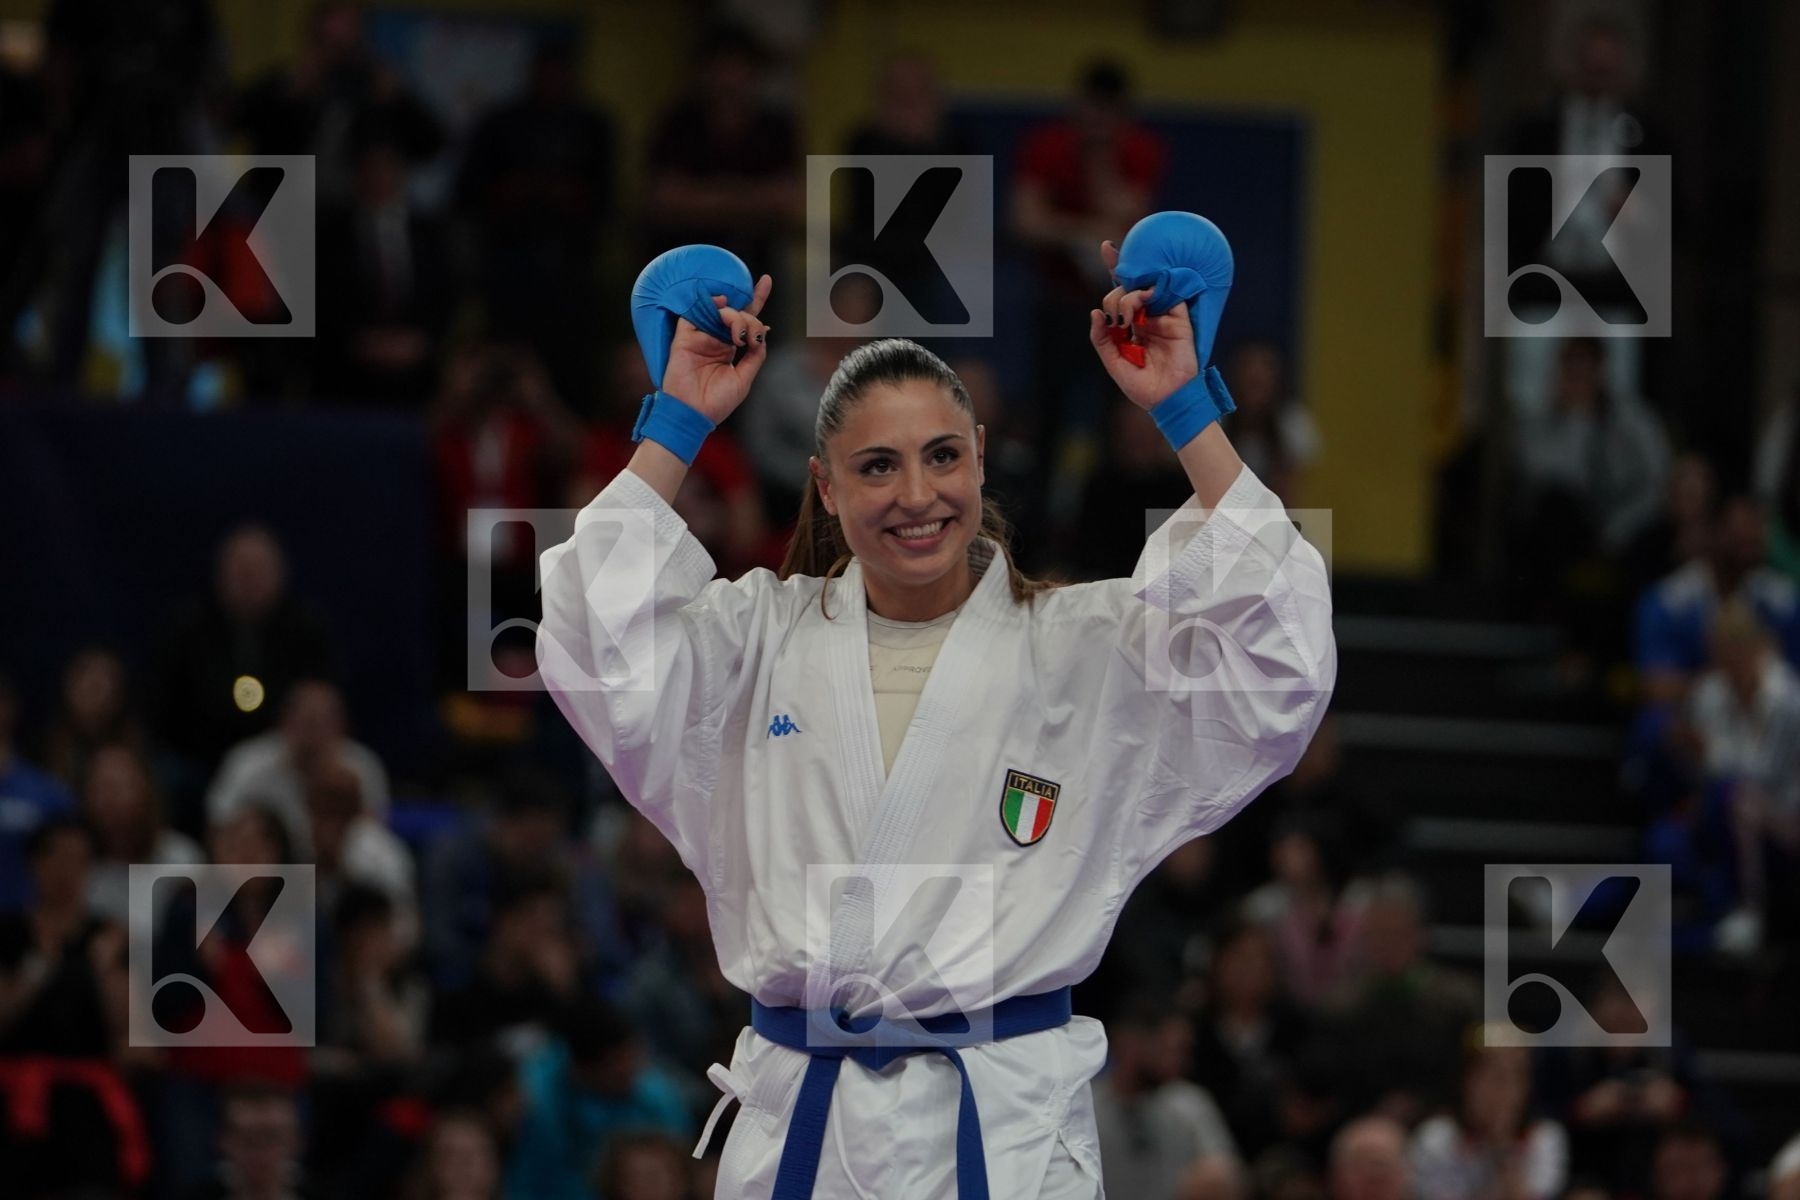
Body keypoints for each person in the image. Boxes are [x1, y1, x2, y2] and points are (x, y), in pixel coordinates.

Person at [536, 214, 1335, 1199]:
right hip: (805, 1133)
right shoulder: (754, 645)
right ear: (825, 488)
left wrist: (1185, 411)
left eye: (943, 456)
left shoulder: (1085, 650)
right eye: (877, 466)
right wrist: (676, 421)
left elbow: (1281, 663)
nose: (917, 494)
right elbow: (585, 638)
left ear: (983, 458)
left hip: (1002, 1135)